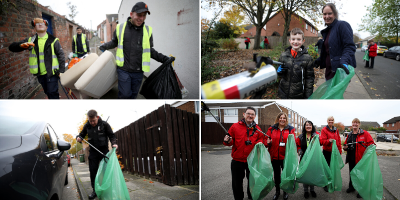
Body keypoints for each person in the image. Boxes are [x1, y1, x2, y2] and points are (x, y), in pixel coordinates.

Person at [99, 2, 174, 99]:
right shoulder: (120, 28)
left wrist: (165, 59)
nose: (141, 18)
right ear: (131, 14)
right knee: (125, 95)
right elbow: (114, 42)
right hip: (123, 70)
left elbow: (150, 50)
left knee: (133, 95)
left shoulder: (147, 30)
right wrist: (103, 46)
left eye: (144, 15)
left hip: (138, 72)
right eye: (139, 15)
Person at [8, 18, 65, 99]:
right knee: (47, 92)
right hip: (40, 74)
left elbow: (61, 55)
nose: (40, 25)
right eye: (37, 24)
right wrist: (20, 46)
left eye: (42, 23)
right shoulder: (31, 41)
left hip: (52, 73)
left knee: (52, 93)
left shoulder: (53, 40)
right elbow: (11, 47)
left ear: (46, 27)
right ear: (34, 27)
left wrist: (61, 71)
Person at [223, 107, 265, 200]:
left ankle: (251, 197)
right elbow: (229, 141)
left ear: (255, 116)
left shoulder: (257, 129)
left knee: (252, 182)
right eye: (248, 113)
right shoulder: (235, 126)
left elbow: (262, 139)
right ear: (244, 114)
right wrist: (227, 141)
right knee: (237, 183)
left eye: (252, 114)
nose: (250, 116)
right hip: (237, 160)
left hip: (252, 160)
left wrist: (262, 142)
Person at [76, 110, 118, 199]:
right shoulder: (87, 126)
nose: (92, 123)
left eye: (94, 121)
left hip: (103, 151)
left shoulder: (104, 124)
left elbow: (111, 135)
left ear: (97, 117)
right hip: (93, 152)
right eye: (90, 121)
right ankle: (95, 190)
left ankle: (107, 189)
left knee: (106, 171)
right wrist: (78, 138)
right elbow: (81, 135)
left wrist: (114, 143)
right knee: (93, 171)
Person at [314, 3, 356, 80]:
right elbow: (329, 52)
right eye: (324, 14)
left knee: (333, 92)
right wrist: (319, 61)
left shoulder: (342, 25)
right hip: (329, 70)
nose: (327, 16)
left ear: (335, 14)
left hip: (339, 71)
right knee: (329, 92)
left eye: (330, 13)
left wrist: (344, 61)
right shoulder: (327, 31)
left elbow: (349, 46)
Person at [264, 112, 295, 200]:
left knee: (285, 175)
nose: (282, 119)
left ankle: (285, 191)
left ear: (286, 120)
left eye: (284, 118)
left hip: (285, 157)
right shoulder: (272, 129)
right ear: (278, 119)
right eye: (280, 118)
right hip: (274, 157)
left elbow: (293, 142)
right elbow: (266, 140)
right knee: (277, 176)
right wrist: (267, 142)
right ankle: (277, 192)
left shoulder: (290, 129)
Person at [276, 28, 315, 99]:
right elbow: (279, 73)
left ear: (303, 41)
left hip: (299, 94)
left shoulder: (307, 58)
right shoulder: (283, 55)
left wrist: (308, 96)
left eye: (298, 39)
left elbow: (309, 78)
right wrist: (278, 71)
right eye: (293, 39)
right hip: (284, 92)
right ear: (289, 40)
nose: (295, 42)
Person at [343, 118, 375, 198]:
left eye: (357, 123)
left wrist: (372, 146)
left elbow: (371, 143)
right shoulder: (349, 134)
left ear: (359, 124)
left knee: (361, 175)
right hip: (351, 158)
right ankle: (352, 187)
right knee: (352, 173)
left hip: (361, 159)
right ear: (352, 124)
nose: (355, 124)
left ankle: (361, 190)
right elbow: (345, 145)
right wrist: (345, 147)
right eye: (354, 122)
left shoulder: (365, 134)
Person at [295, 121, 319, 198]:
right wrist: (299, 150)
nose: (308, 126)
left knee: (312, 174)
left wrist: (317, 140)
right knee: (305, 174)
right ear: (304, 127)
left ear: (312, 126)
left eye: (310, 125)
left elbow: (321, 143)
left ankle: (312, 190)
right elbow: (298, 145)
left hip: (313, 159)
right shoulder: (301, 136)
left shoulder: (316, 135)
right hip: (304, 159)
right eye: (307, 125)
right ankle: (306, 190)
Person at [320, 116, 342, 192]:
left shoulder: (336, 130)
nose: (331, 121)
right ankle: (325, 183)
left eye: (332, 120)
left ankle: (332, 182)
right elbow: (322, 141)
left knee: (333, 167)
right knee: (327, 168)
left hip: (334, 152)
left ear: (333, 121)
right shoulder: (324, 130)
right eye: (329, 120)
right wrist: (328, 141)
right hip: (327, 152)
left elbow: (338, 140)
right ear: (327, 121)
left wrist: (340, 150)